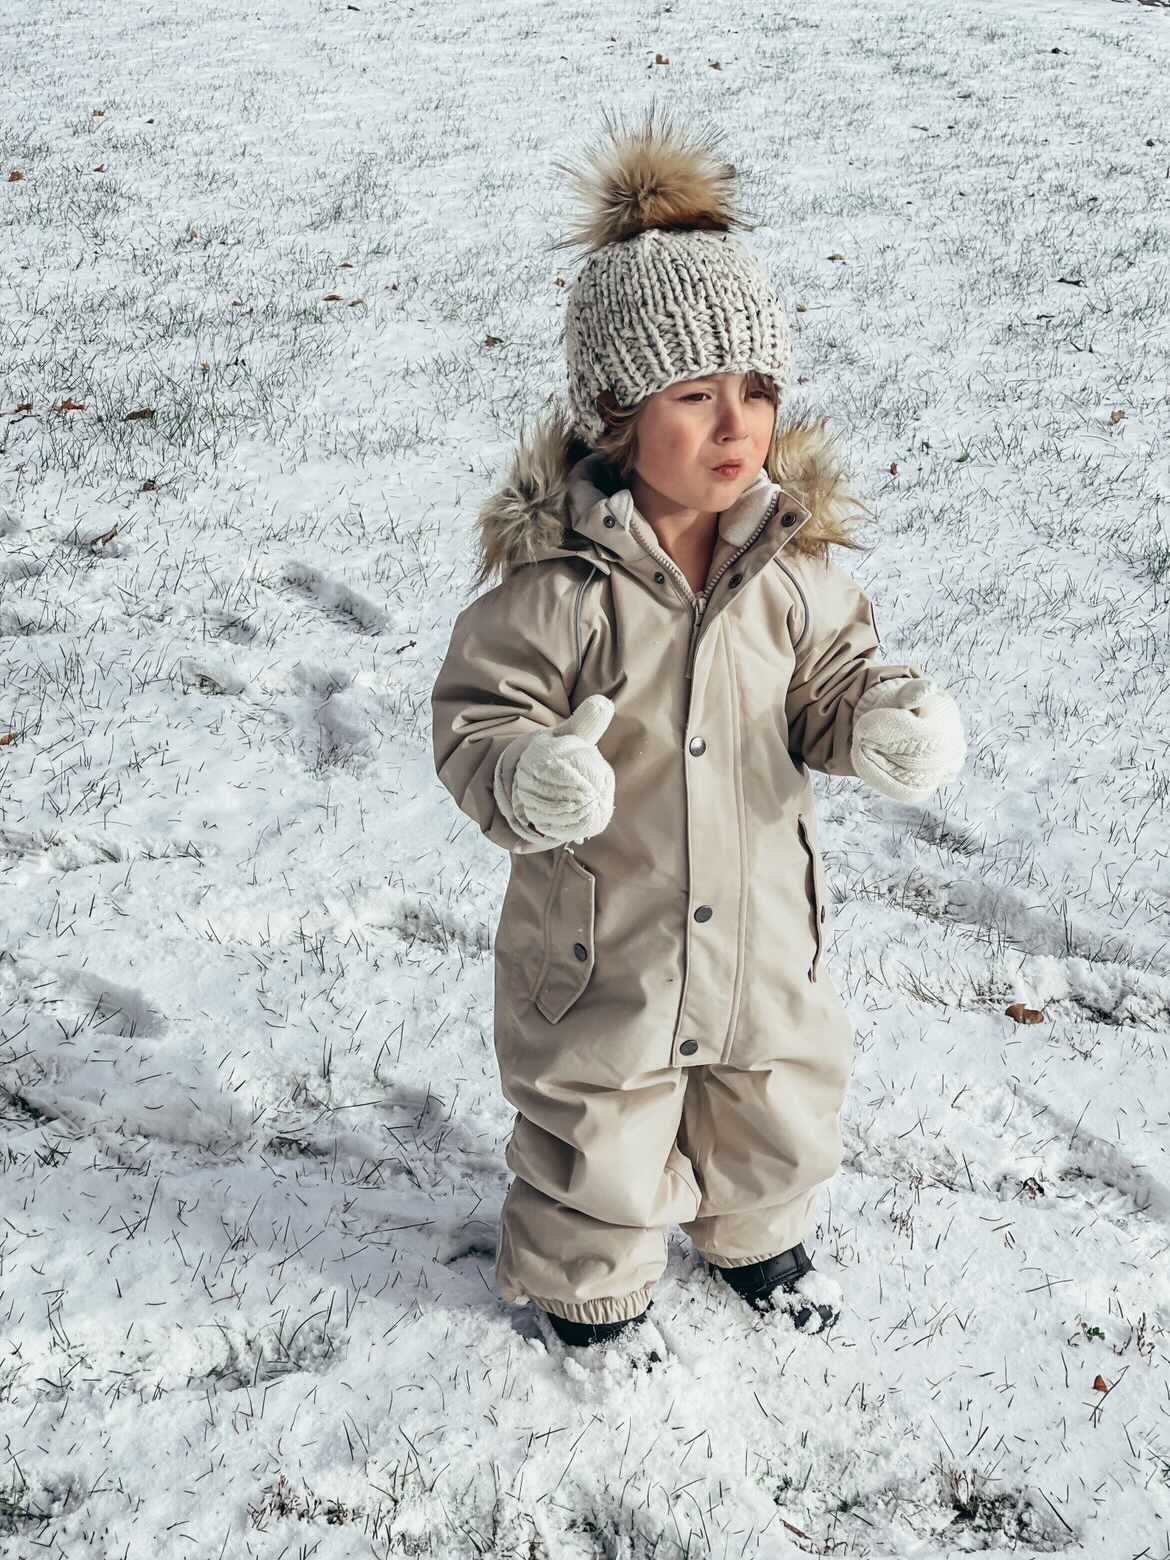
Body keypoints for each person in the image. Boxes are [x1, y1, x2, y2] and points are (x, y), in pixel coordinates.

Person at [430, 105, 966, 1353]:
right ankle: (586, 1273)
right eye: (695, 394)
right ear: (616, 414)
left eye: (759, 390)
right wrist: (527, 774)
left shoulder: (791, 574)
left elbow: (833, 679)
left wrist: (877, 722)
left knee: (779, 1093)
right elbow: (477, 720)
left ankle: (759, 1230)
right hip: (603, 941)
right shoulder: (555, 592)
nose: (738, 425)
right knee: (598, 1115)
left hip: (766, 930)